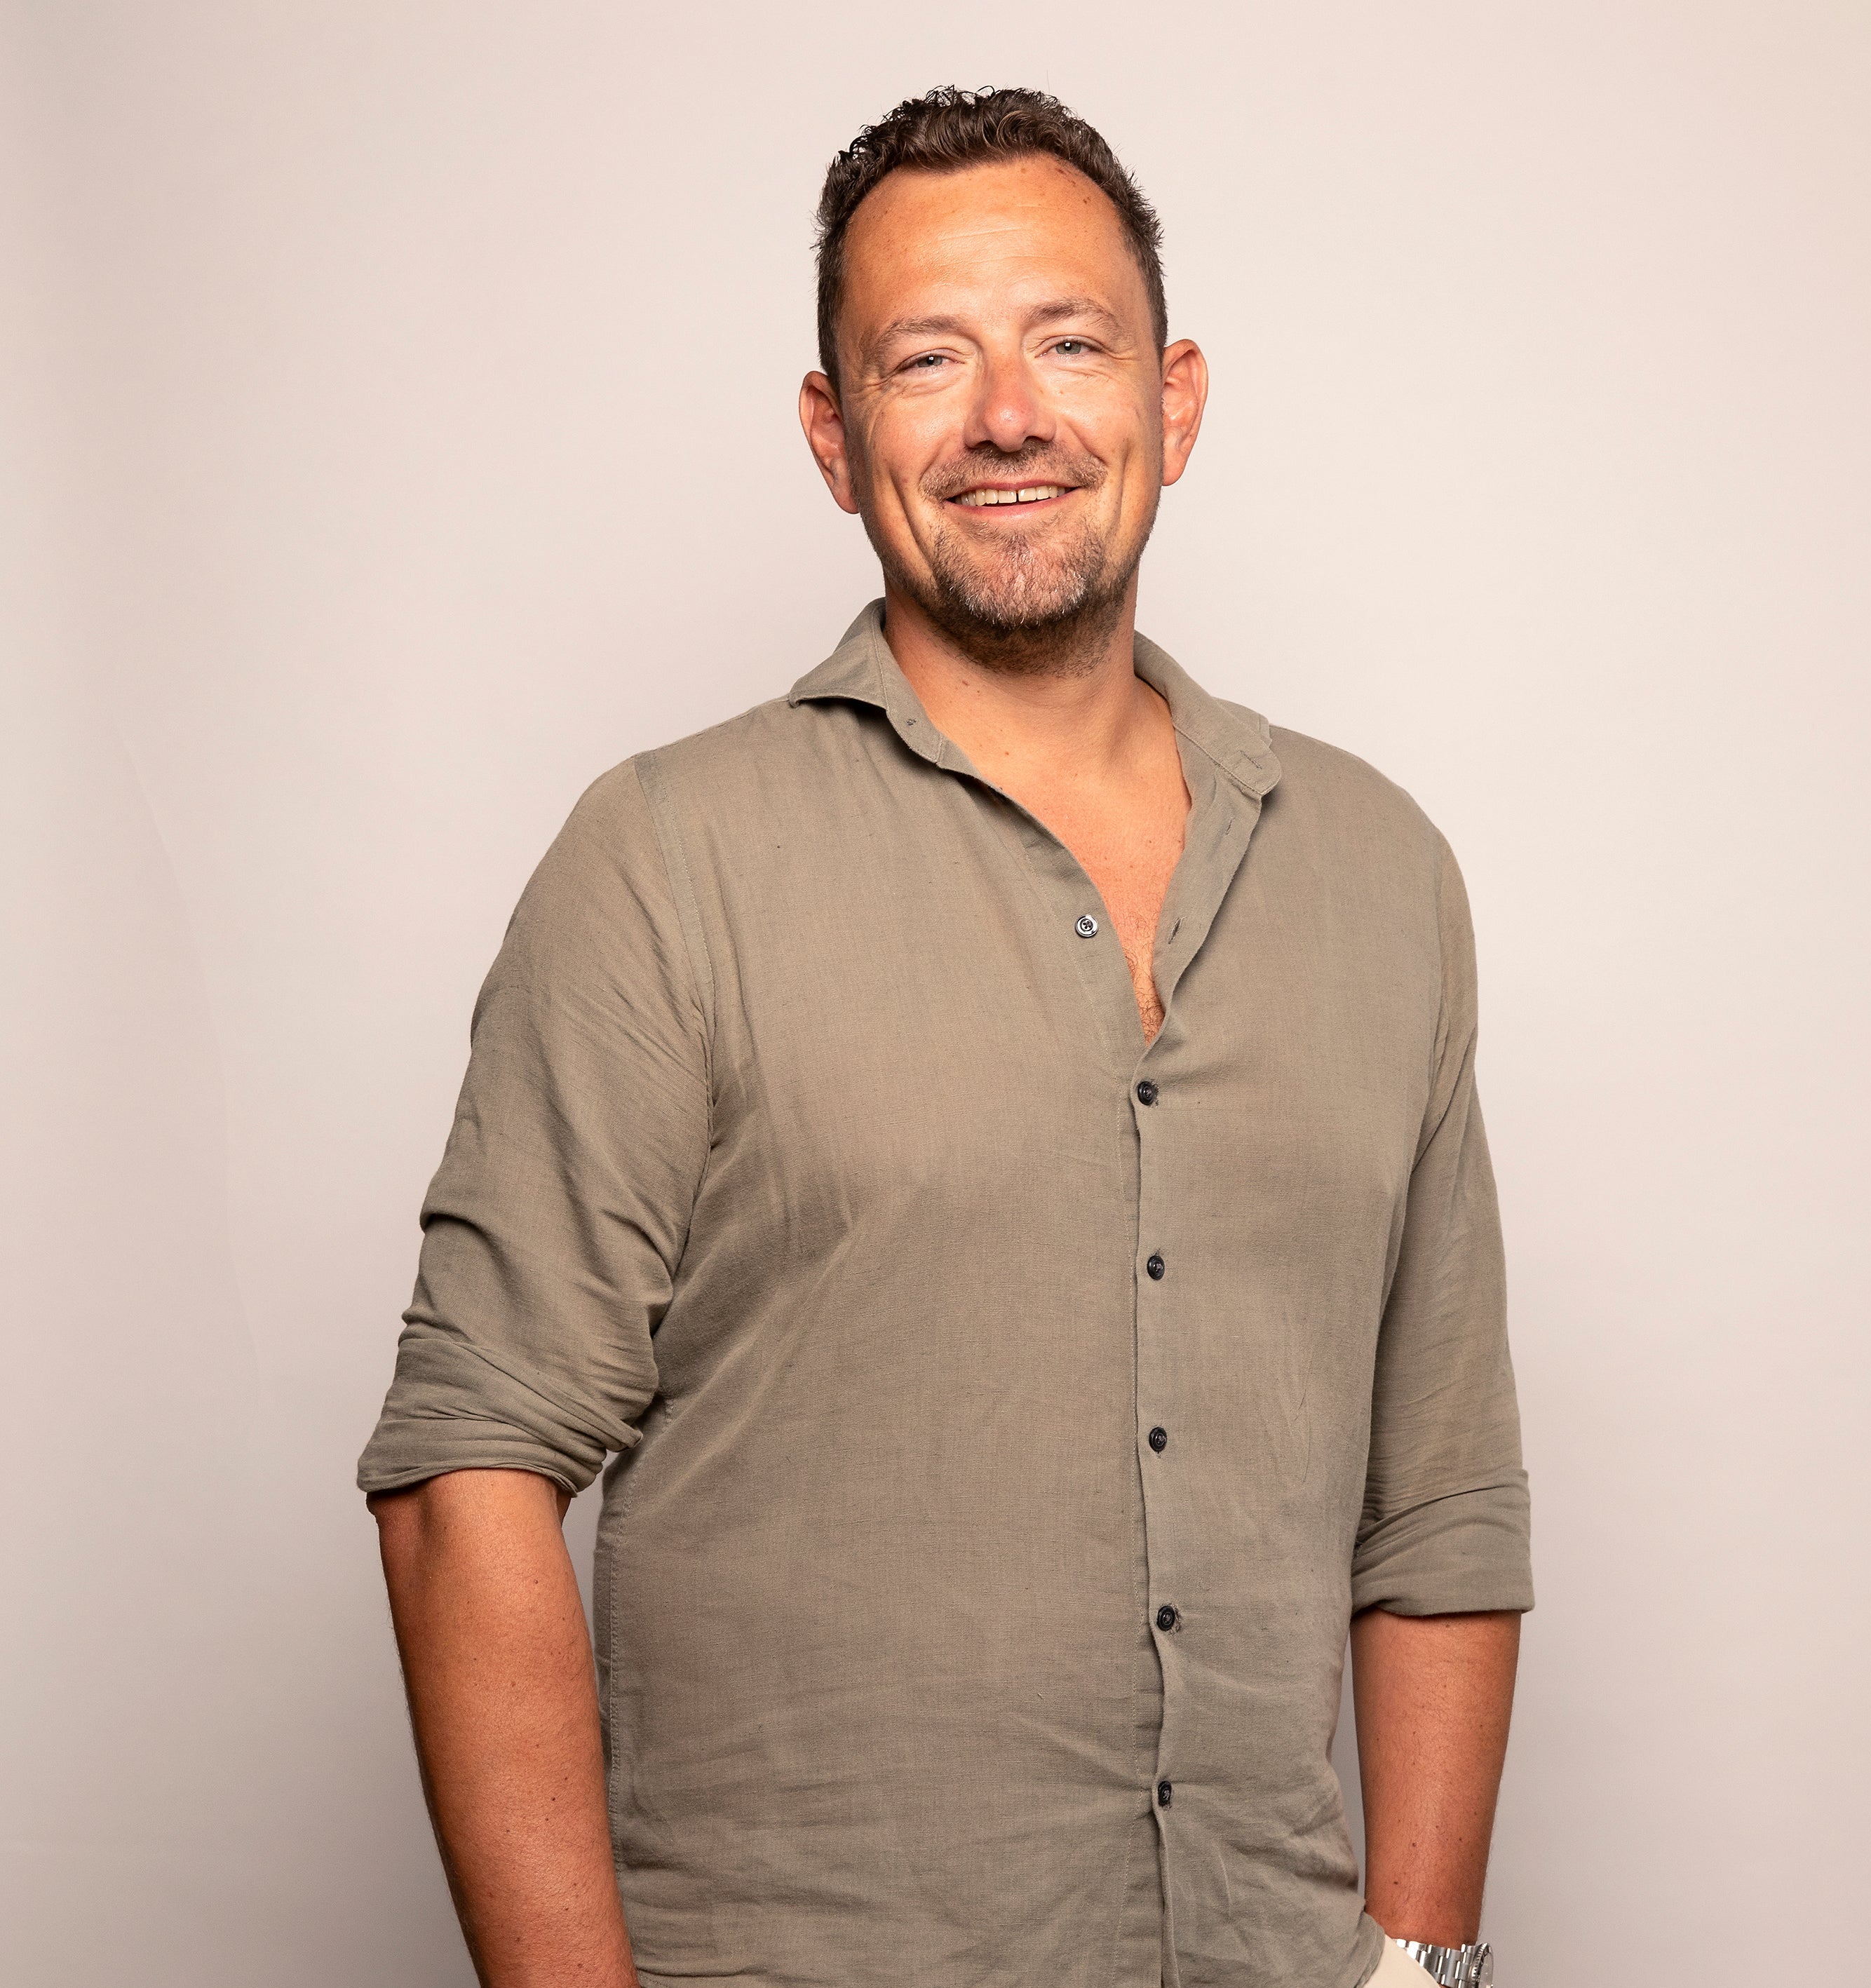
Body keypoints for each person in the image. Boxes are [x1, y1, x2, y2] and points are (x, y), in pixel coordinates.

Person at [359, 86, 1532, 1988]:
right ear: (835, 438)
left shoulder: (1380, 873)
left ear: (1174, 401)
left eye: (1070, 343)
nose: (1008, 415)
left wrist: (1425, 1975)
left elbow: (1441, 1501)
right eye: (927, 358)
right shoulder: (665, 861)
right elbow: (462, 1477)